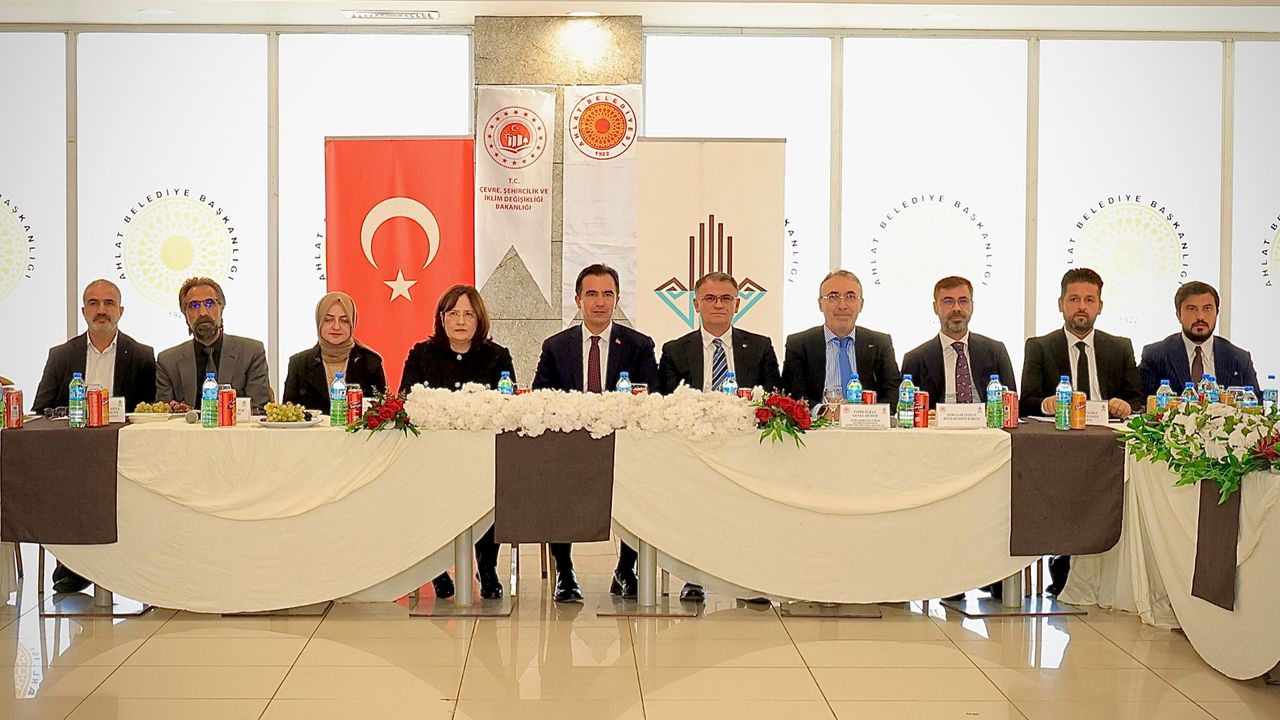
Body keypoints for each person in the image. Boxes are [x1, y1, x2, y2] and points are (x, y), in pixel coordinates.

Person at [532, 264, 659, 603]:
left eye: (607, 294)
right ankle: (565, 572)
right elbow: (540, 399)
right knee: (554, 480)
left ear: (617, 300)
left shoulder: (638, 345)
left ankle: (626, 569)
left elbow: (653, 398)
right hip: (569, 449)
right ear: (578, 300)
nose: (600, 302)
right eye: (591, 294)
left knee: (642, 482)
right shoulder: (556, 346)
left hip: (624, 449)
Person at [657, 271, 780, 603]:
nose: (718, 305)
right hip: (694, 450)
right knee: (692, 499)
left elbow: (773, 399)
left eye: (726, 298)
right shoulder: (675, 350)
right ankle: (695, 576)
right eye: (710, 298)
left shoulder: (760, 347)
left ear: (737, 305)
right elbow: (666, 404)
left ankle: (748, 578)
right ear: (696, 304)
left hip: (746, 450)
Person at [1020, 267, 1143, 596]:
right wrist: (1046, 403)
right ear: (1061, 304)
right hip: (1058, 446)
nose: (1081, 307)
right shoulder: (1040, 346)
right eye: (1074, 299)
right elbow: (1025, 400)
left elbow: (1137, 398)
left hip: (1107, 445)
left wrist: (1125, 406)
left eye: (1089, 300)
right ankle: (1061, 559)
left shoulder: (1119, 347)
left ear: (1100, 305)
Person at [31, 278, 157, 594]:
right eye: (94, 303)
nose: (101, 310)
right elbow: (41, 409)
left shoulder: (141, 355)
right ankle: (74, 565)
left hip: (124, 455)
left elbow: (151, 411)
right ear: (84, 311)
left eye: (109, 303)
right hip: (73, 456)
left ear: (121, 311)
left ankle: (125, 565)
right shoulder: (62, 355)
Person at [400, 284, 515, 601]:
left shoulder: (497, 356)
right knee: (426, 491)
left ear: (480, 320)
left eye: (468, 314)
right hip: (432, 458)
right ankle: (436, 570)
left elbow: (508, 406)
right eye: (453, 313)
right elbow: (407, 400)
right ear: (442, 318)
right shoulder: (421, 354)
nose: (460, 321)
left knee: (492, 488)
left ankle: (487, 567)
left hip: (481, 457)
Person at [781, 269, 901, 409]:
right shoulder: (799, 344)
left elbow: (893, 392)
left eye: (850, 297)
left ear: (861, 304)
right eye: (833, 297)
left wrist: (866, 414)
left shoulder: (880, 343)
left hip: (868, 421)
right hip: (818, 422)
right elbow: (793, 395)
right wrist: (824, 412)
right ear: (820, 304)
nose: (842, 306)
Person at [156, 277, 271, 414]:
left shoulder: (251, 353)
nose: (203, 312)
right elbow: (163, 415)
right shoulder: (168, 361)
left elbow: (258, 410)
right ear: (185, 314)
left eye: (210, 303)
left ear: (221, 308)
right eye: (194, 305)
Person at [901, 276, 1016, 408]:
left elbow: (1011, 404)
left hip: (986, 420)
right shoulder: (915, 359)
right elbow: (906, 408)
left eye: (963, 301)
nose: (957, 308)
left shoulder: (995, 351)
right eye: (948, 301)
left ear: (972, 306)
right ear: (935, 307)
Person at [1138, 281, 1259, 397]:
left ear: (1217, 313)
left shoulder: (1239, 358)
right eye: (1191, 309)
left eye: (1207, 308)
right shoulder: (1155, 356)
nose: (1200, 317)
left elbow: (1256, 403)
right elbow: (1142, 403)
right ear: (1178, 315)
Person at [283, 291, 386, 413]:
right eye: (328, 319)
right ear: (319, 322)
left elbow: (381, 414)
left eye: (344, 320)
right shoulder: (299, 364)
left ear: (352, 323)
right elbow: (289, 415)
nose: (336, 326)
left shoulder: (371, 362)